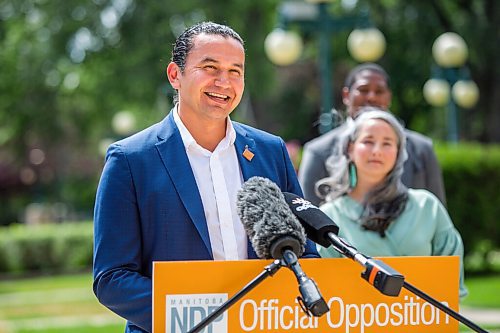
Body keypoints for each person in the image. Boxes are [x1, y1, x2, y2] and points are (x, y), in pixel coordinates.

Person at [92, 22, 319, 333]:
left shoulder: (271, 151)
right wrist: (204, 319)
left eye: (235, 71)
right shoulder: (130, 160)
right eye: (209, 67)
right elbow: (112, 278)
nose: (223, 81)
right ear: (175, 75)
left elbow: (303, 252)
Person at [316, 108, 467, 298]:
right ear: (350, 149)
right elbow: (324, 286)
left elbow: (452, 284)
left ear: (398, 153)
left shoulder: (428, 207)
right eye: (368, 141)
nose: (377, 151)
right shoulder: (329, 216)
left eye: (387, 143)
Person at [298, 63, 446, 206]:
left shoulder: (421, 149)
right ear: (346, 95)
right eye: (363, 90)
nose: (371, 97)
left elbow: (437, 212)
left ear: (389, 97)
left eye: (379, 91)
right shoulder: (318, 151)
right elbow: (307, 217)